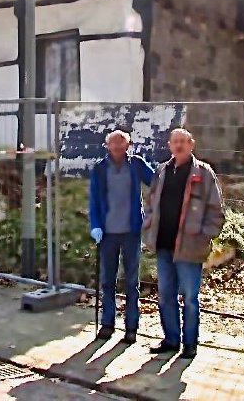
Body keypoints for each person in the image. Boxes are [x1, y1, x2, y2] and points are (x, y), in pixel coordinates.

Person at [142, 128, 225, 359]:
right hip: (163, 245)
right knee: (165, 295)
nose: (179, 145)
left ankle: (190, 344)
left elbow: (216, 211)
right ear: (169, 146)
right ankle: (171, 340)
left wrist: (204, 236)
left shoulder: (204, 173)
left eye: (183, 141)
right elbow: (150, 203)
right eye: (175, 142)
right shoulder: (162, 171)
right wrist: (148, 226)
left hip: (190, 247)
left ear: (191, 144)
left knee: (189, 298)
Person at [89, 129, 155, 344]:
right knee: (107, 280)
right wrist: (95, 225)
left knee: (132, 282)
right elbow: (94, 200)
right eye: (113, 144)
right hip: (107, 233)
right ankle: (107, 323)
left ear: (128, 145)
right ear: (107, 146)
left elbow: (156, 183)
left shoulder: (136, 164)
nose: (117, 148)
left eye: (121, 144)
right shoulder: (100, 168)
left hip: (131, 232)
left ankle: (131, 327)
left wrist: (152, 213)